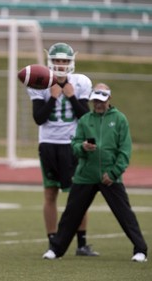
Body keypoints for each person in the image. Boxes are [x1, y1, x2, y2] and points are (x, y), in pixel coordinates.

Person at [43, 83, 148, 262]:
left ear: (109, 99)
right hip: (85, 175)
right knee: (71, 214)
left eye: (102, 100)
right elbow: (75, 145)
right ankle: (56, 250)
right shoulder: (85, 120)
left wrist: (114, 173)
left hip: (110, 177)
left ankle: (140, 250)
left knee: (125, 215)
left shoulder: (120, 119)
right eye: (95, 101)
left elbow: (125, 150)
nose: (98, 104)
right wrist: (83, 147)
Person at [26, 42, 98, 256]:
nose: (60, 64)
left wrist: (71, 95)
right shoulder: (40, 82)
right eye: (57, 60)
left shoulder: (81, 82)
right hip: (48, 144)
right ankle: (53, 241)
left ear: (71, 62)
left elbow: (85, 117)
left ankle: (81, 244)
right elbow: (39, 118)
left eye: (64, 61)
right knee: (50, 193)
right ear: (50, 61)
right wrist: (55, 96)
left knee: (78, 195)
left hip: (72, 146)